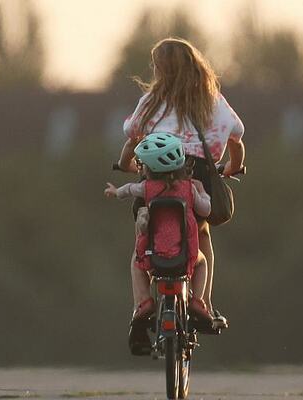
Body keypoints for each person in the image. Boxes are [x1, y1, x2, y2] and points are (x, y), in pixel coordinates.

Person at [117, 37, 246, 329]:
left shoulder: (151, 102)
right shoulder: (212, 101)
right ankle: (205, 303)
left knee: (143, 241)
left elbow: (131, 135)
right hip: (198, 176)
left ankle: (142, 303)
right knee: (202, 236)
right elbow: (237, 139)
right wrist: (232, 168)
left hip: (154, 179)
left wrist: (128, 165)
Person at [105, 133, 213, 354]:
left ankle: (144, 301)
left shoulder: (146, 188)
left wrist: (115, 192)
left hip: (153, 255)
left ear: (148, 168)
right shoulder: (190, 188)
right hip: (186, 255)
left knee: (136, 263)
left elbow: (127, 190)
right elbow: (206, 210)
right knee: (202, 262)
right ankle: (199, 300)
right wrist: (203, 192)